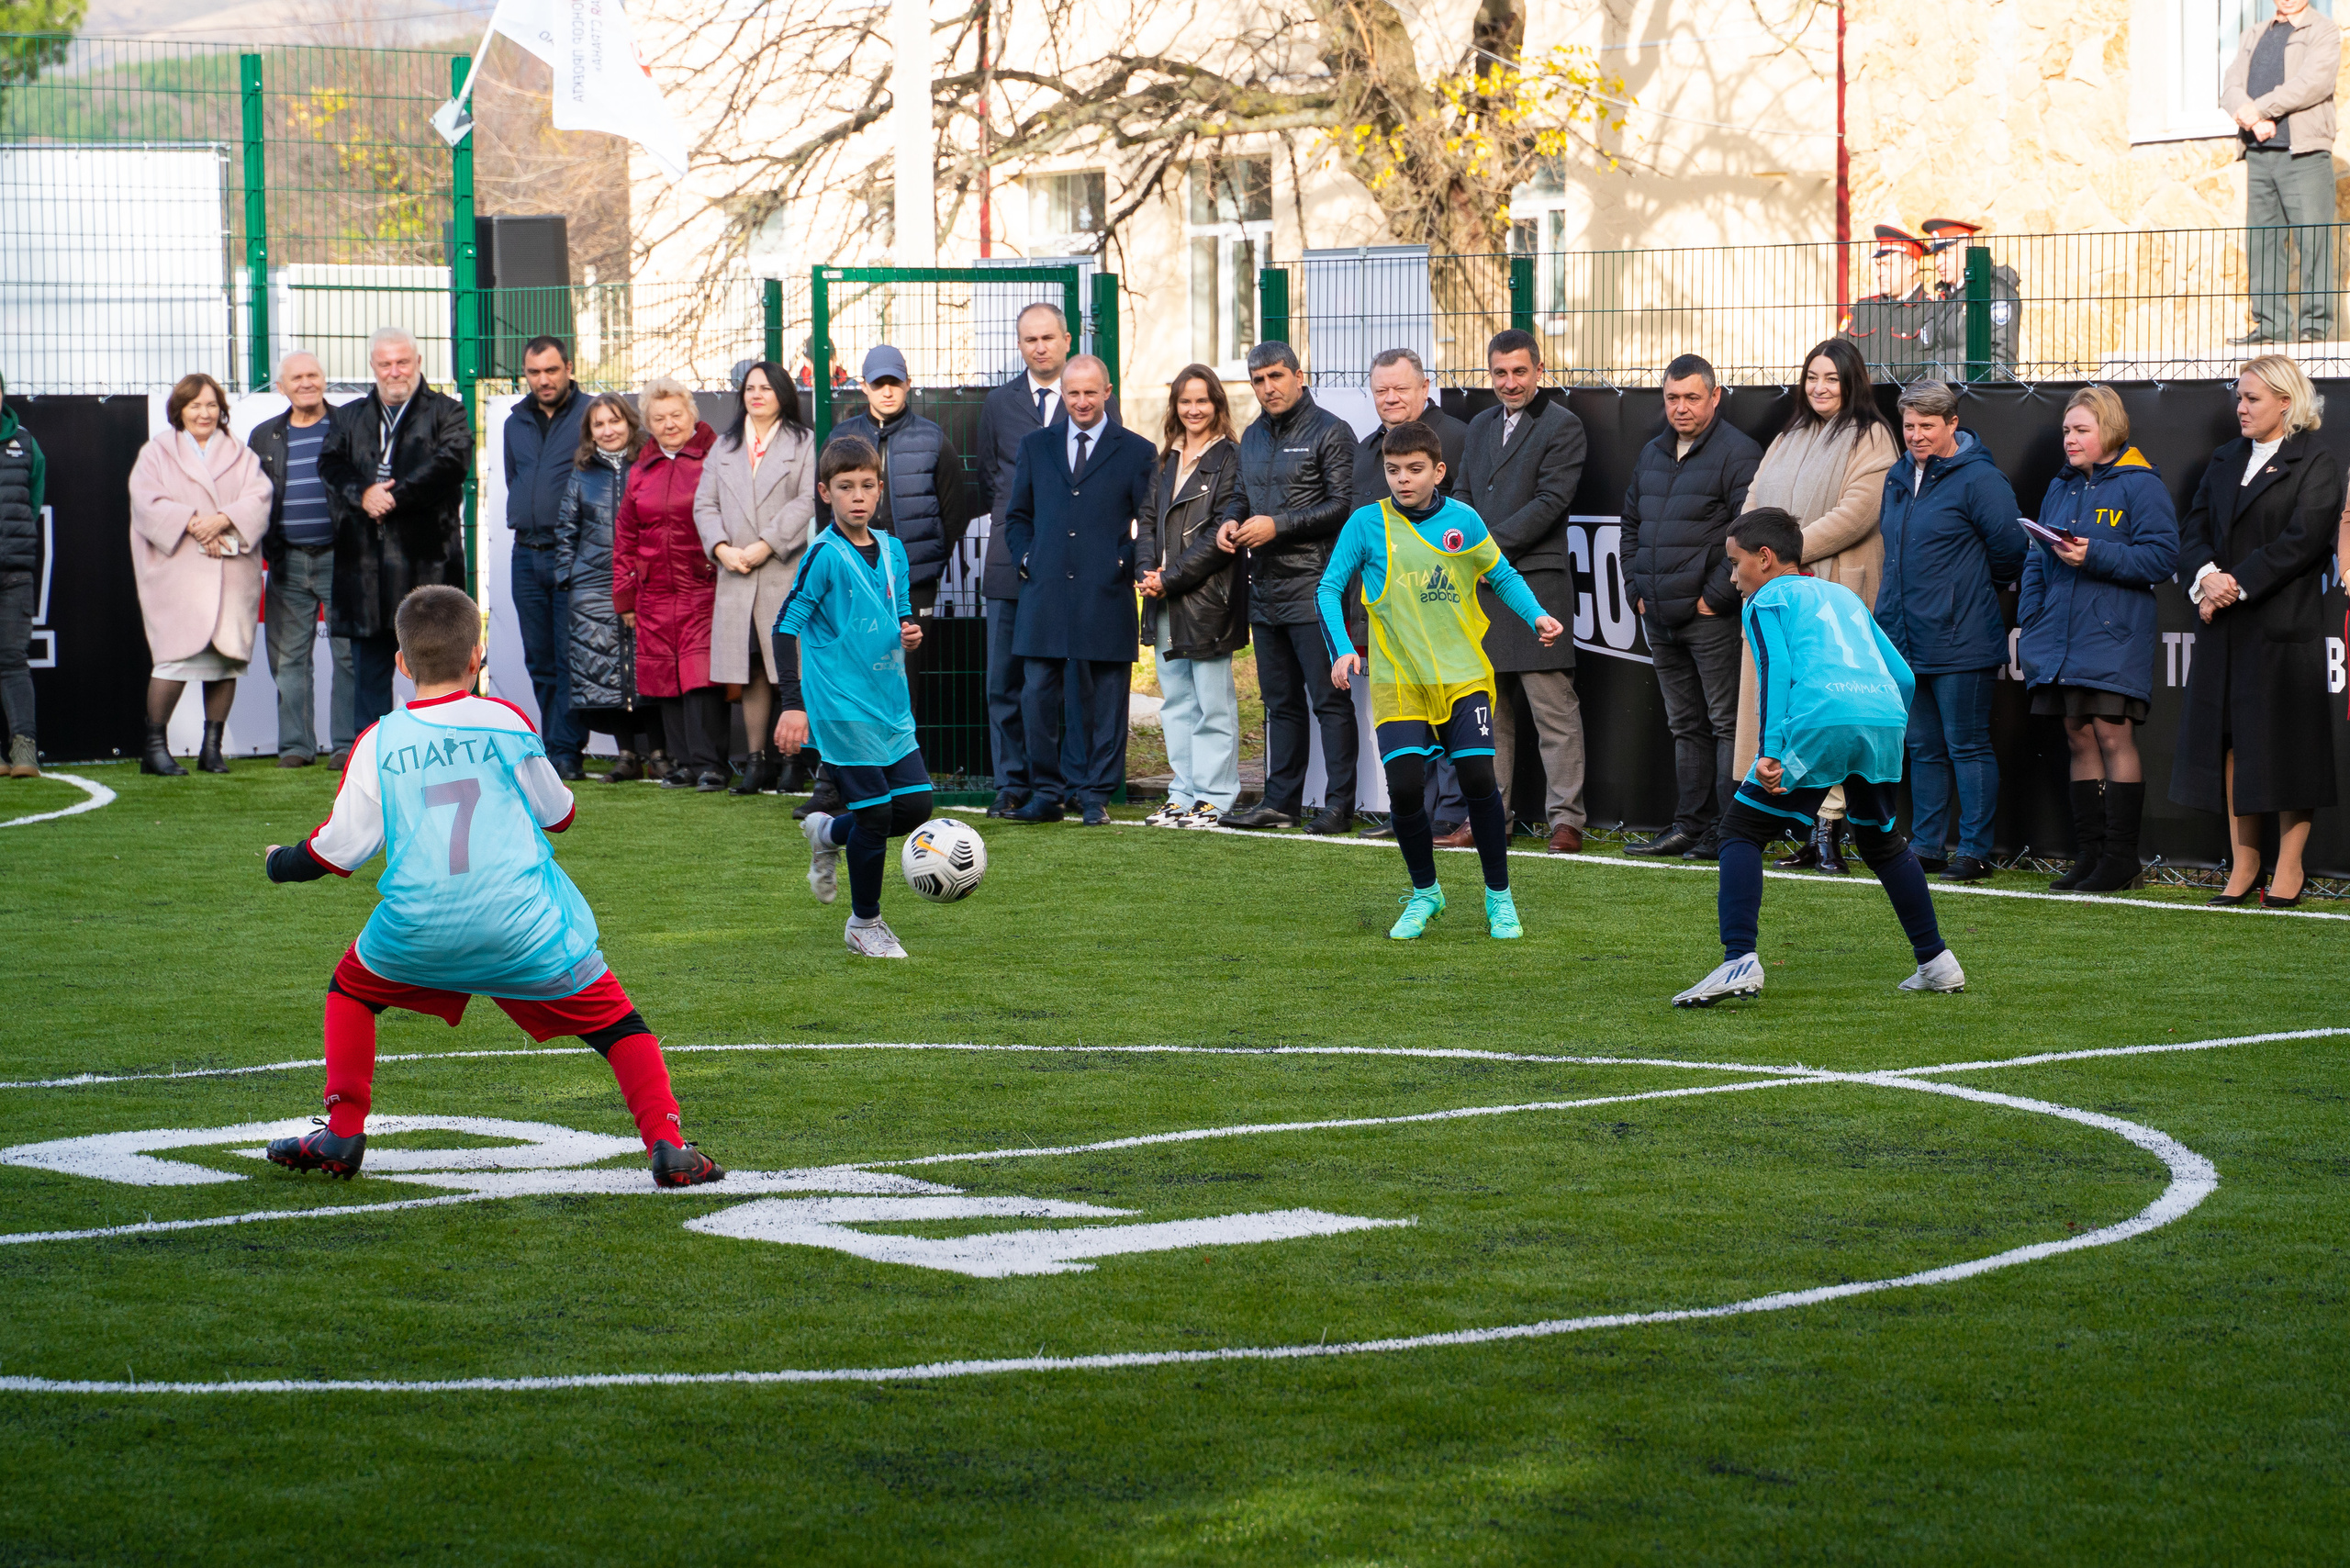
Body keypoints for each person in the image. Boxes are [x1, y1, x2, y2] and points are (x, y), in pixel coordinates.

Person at [257, 583, 724, 1190]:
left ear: (400, 664)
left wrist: (279, 862)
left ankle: (343, 1130)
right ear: (477, 656)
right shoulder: (506, 721)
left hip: (418, 929)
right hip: (522, 927)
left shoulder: (378, 741)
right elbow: (559, 814)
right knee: (618, 1028)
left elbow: (337, 851)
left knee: (351, 989)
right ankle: (668, 1145)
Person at [1673, 509, 1964, 1006]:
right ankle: (1937, 962)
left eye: (1735, 562)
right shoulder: (1844, 595)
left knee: (1739, 831)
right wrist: (1878, 720)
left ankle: (1738, 959)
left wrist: (1769, 752)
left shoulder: (1767, 599)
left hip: (1820, 719)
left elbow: (1776, 671)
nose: (1733, 575)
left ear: (1764, 559)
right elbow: (1905, 677)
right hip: (1882, 719)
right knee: (1883, 845)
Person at [1317, 420, 1563, 939]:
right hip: (1398, 680)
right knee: (1405, 790)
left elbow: (1500, 574)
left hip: (1462, 675)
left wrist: (1536, 614)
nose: (1402, 479)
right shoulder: (1366, 523)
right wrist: (1342, 650)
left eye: (1414, 469)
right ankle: (1426, 892)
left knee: (1478, 780)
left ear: (1439, 470)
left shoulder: (1464, 521)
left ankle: (1500, 899)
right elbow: (1329, 589)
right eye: (1392, 470)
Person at [2174, 353, 2342, 906]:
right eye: (2239, 397)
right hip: (2226, 626)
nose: (2240, 407)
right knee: (2231, 743)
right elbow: (2193, 526)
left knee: (2290, 746)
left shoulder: (2318, 461)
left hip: (2282, 627)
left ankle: (2289, 869)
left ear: (2285, 403)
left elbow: (2304, 540)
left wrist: (2233, 585)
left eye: (2252, 399)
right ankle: (2243, 867)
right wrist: (2204, 577)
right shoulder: (2224, 458)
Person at [1739, 337, 1899, 875]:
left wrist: (1784, 552)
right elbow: (1753, 503)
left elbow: (1861, 510)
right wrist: (1760, 556)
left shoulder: (1872, 434)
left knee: (1828, 705)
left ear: (1852, 382)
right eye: (1812, 377)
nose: (1820, 388)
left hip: (1832, 587)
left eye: (1831, 378)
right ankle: (1805, 829)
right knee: (1792, 704)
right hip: (1782, 585)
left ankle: (1832, 831)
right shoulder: (1788, 434)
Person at [774, 436, 934, 958]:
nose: (857, 496)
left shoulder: (892, 549)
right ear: (826, 493)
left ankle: (826, 835)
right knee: (875, 815)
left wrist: (909, 630)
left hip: (888, 698)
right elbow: (785, 626)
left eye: (867, 486)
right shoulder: (823, 554)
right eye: (845, 488)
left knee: (913, 807)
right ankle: (865, 924)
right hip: (839, 704)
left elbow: (903, 609)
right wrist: (792, 703)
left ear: (880, 490)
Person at [2020, 386, 2179, 894]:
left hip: (2114, 634)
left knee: (2112, 733)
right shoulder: (2059, 487)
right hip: (2059, 635)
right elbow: (2035, 560)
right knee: (2077, 733)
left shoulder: (2141, 485)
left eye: (2081, 429)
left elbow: (2161, 559)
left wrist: (2096, 555)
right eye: (2067, 429)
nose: (2070, 439)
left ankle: (2120, 859)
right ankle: (2089, 856)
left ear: (2108, 430)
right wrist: (2032, 617)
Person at [1874, 379, 2027, 881]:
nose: (1915, 435)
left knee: (1967, 744)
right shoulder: (1898, 476)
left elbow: (2010, 549)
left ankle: (1976, 850)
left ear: (1952, 424)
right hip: (1903, 636)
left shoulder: (1980, 480)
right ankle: (1927, 846)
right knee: (1922, 747)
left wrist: (1964, 596)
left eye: (1927, 426)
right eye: (1909, 425)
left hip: (1962, 638)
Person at [1451, 328, 1589, 856]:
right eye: (1500, 373)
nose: (1509, 382)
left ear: (1538, 370)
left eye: (1519, 371)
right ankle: (1490, 818)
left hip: (1534, 583)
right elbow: (1460, 495)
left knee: (1554, 710)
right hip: (1479, 587)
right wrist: (1465, 550)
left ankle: (1566, 821)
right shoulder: (1480, 424)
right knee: (1491, 715)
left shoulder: (1563, 425)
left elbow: (1551, 502)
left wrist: (1485, 550)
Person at [1002, 353, 1157, 825]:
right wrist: (1027, 558)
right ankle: (1046, 793)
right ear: (1062, 393)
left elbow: (1146, 524)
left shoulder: (1136, 450)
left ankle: (1094, 796)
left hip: (1105, 591)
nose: (1082, 401)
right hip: (1044, 592)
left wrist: (1122, 562)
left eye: (1091, 392)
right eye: (1074, 392)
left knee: (1107, 698)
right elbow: (1017, 516)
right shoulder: (1036, 445)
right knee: (1037, 695)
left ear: (1107, 392)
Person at [1621, 353, 1762, 859]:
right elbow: (1631, 526)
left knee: (1726, 723)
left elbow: (1748, 536)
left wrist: (1714, 599)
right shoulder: (1652, 453)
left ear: (1715, 396)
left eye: (1691, 398)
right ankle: (1690, 826)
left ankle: (1729, 830)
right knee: (1685, 726)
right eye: (1672, 398)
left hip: (1710, 620)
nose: (1681, 408)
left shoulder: (1738, 453)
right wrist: (1636, 591)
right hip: (1658, 617)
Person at [1218, 341, 1359, 833]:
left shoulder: (1332, 431)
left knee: (1329, 702)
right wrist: (1230, 521)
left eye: (1276, 376)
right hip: (1265, 589)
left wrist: (1279, 524)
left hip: (1317, 588)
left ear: (1301, 375)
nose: (1267, 388)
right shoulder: (1252, 435)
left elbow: (1343, 506)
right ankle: (1281, 803)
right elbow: (1240, 495)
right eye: (1258, 380)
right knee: (1279, 705)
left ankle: (1340, 805)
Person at [974, 302, 1103, 816]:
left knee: (1066, 681)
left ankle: (1069, 783)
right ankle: (1013, 783)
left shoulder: (1090, 397)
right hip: (1010, 563)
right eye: (1030, 340)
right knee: (1004, 680)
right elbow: (992, 479)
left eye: (1048, 338)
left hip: (1072, 569)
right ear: (1020, 344)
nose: (1040, 347)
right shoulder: (998, 405)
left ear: (1067, 340)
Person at [319, 327, 472, 739]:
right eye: (385, 364)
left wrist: (394, 497)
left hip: (427, 569)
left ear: (418, 363)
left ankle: (444, 746)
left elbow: (451, 462)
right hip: (363, 570)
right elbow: (330, 465)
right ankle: (367, 755)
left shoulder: (447, 412)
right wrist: (362, 493)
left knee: (438, 670)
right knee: (367, 672)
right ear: (373, 366)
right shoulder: (347, 417)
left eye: (402, 362)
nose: (394, 371)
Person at [128, 373, 274, 777]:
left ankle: (213, 749)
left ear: (221, 410)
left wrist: (224, 520)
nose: (204, 413)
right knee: (173, 660)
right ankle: (154, 749)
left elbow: (259, 498)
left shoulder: (240, 454)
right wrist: (194, 524)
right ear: (180, 410)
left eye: (211, 405)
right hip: (180, 572)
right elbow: (145, 502)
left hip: (230, 568)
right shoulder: (158, 453)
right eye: (195, 405)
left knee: (226, 661)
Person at [1348, 347, 1467, 839]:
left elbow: (1466, 529)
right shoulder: (1365, 449)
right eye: (1381, 390)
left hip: (1440, 610)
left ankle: (1449, 814)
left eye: (1401, 387)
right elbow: (1360, 545)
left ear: (1425, 387)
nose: (1391, 398)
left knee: (1445, 713)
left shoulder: (1459, 438)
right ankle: (1410, 815)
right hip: (1384, 617)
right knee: (1404, 720)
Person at [694, 358, 815, 797]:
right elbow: (703, 505)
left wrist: (766, 544)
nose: (757, 395)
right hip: (735, 573)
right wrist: (722, 549)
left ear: (783, 393)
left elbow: (807, 501)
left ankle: (793, 761)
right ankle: (757, 760)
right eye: (750, 388)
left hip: (783, 568)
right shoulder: (723, 447)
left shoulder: (803, 442)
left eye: (766, 387)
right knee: (750, 671)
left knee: (787, 666)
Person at [1139, 364, 1247, 829]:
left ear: (1217, 404)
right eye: (1186, 401)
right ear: (1176, 407)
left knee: (1211, 702)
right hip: (1163, 596)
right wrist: (1149, 570)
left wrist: (1171, 577)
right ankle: (1183, 793)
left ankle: (1216, 795)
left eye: (1202, 400)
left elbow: (1219, 536)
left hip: (1207, 599)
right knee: (1176, 701)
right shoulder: (1166, 459)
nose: (1194, 409)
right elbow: (1146, 519)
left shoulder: (1231, 459)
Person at [613, 378, 725, 791]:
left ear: (692, 415)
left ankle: (711, 763)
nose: (669, 424)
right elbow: (625, 537)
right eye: (658, 418)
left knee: (701, 677)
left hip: (702, 586)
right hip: (654, 592)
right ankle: (683, 765)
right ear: (648, 423)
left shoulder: (715, 460)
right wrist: (625, 597)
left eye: (676, 415)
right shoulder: (641, 471)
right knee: (665, 678)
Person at [251, 351, 355, 770]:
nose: (306, 382)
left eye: (313, 374)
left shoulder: (350, 427)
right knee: (289, 657)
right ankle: (296, 746)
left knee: (349, 655)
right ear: (281, 387)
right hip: (287, 560)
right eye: (296, 377)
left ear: (324, 380)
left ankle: (347, 745)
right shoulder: (263, 436)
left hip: (343, 557)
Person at [554, 392, 666, 783]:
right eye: (599, 424)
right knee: (608, 673)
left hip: (644, 581)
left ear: (630, 423)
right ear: (590, 432)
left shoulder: (649, 463)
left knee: (647, 668)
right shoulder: (582, 473)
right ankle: (626, 755)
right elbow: (567, 529)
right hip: (594, 589)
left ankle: (659, 752)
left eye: (614, 421)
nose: (608, 430)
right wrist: (567, 577)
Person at [2221, 0, 2343, 344]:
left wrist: (2258, 110)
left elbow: (2312, 83)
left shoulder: (2322, 29)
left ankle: (2314, 328)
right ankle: (2270, 327)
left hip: (2302, 152)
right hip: (2259, 153)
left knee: (2313, 239)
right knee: (2262, 242)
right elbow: (2230, 86)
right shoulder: (2254, 33)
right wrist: (2251, 120)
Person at [827, 344, 975, 613]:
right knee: (861, 655)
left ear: (908, 383)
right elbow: (825, 505)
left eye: (894, 382)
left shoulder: (933, 438)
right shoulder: (840, 438)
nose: (886, 391)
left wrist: (930, 562)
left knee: (913, 654)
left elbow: (954, 511)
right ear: (863, 386)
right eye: (878, 383)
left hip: (916, 581)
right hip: (853, 576)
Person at [501, 336, 589, 778]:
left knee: (569, 655)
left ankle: (565, 750)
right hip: (525, 552)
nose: (543, 380)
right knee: (537, 656)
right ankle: (553, 744)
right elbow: (514, 476)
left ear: (569, 368)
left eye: (551, 370)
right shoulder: (514, 421)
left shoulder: (590, 414)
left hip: (573, 552)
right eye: (534, 372)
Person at [0, 371, 48, 778]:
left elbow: (32, 505)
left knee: (13, 660)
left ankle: (24, 751)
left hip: (14, 572)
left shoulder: (27, 443)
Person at [1917, 219, 2021, 380]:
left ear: (1967, 251)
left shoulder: (1994, 291)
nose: (1938, 262)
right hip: (1940, 399)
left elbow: (2001, 357)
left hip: (1971, 396)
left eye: (1946, 253)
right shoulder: (1942, 298)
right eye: (1936, 255)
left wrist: (1980, 396)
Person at [1843, 227, 1927, 377]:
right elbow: (1839, 350)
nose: (1880, 273)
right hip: (1860, 396)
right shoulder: (1863, 308)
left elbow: (1926, 358)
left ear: (1911, 267)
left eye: (1887, 265)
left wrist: (1877, 377)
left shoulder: (1930, 309)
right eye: (1878, 265)